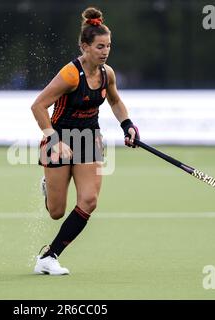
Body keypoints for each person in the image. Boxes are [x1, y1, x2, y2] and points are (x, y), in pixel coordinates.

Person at [30, 7, 140, 275]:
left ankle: (49, 256)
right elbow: (38, 106)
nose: (105, 51)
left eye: (109, 46)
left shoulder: (107, 74)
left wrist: (128, 125)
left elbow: (114, 100)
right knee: (56, 211)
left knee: (89, 200)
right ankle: (49, 185)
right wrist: (54, 140)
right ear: (84, 46)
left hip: (89, 138)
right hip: (59, 138)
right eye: (100, 46)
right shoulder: (70, 75)